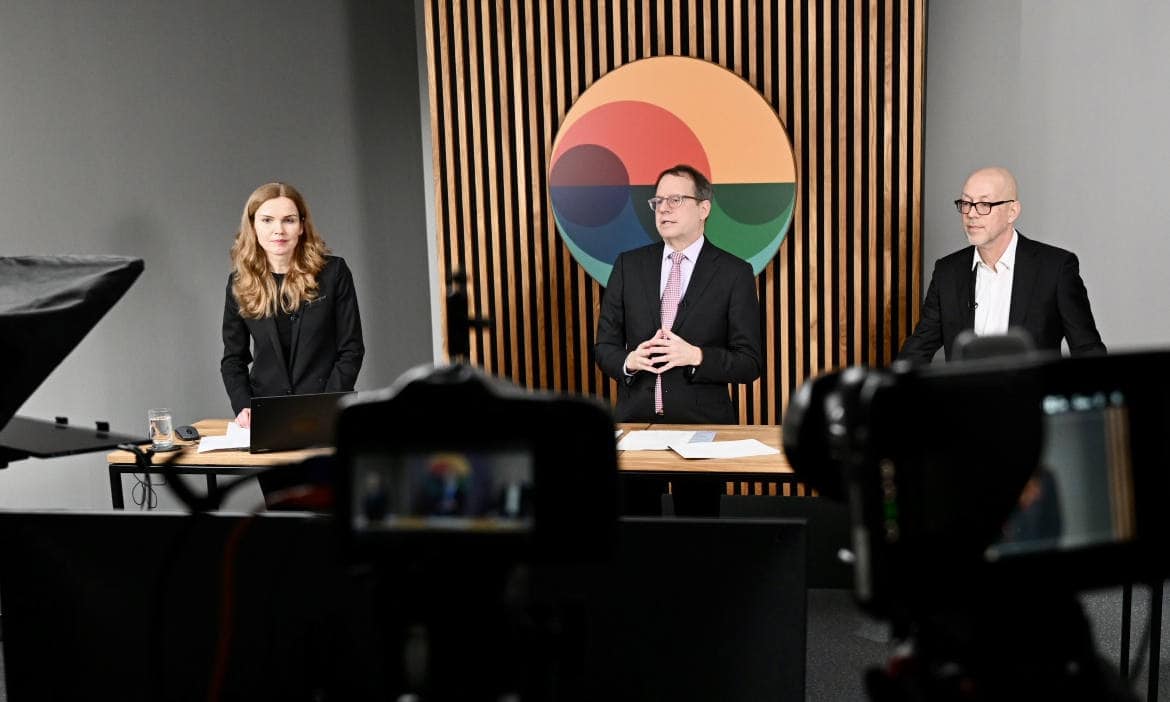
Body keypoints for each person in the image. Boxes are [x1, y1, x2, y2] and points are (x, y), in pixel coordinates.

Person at [595, 164, 762, 423]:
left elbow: (749, 363)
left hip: (704, 425)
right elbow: (605, 347)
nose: (663, 208)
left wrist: (696, 356)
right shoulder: (628, 266)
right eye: (658, 201)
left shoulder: (734, 273)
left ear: (703, 209)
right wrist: (630, 361)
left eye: (675, 200)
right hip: (636, 424)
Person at [898, 167, 1105, 363]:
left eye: (984, 204)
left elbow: (1088, 352)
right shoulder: (947, 272)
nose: (971, 214)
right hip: (964, 390)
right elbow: (917, 352)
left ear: (1012, 211)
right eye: (966, 203)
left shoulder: (1055, 268)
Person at [221, 182, 365, 428]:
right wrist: (244, 406)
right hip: (267, 414)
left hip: (325, 410)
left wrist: (327, 405)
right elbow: (233, 360)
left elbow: (351, 348)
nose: (279, 230)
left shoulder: (334, 273)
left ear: (301, 226)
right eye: (267, 220)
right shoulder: (239, 282)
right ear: (253, 226)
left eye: (289, 220)